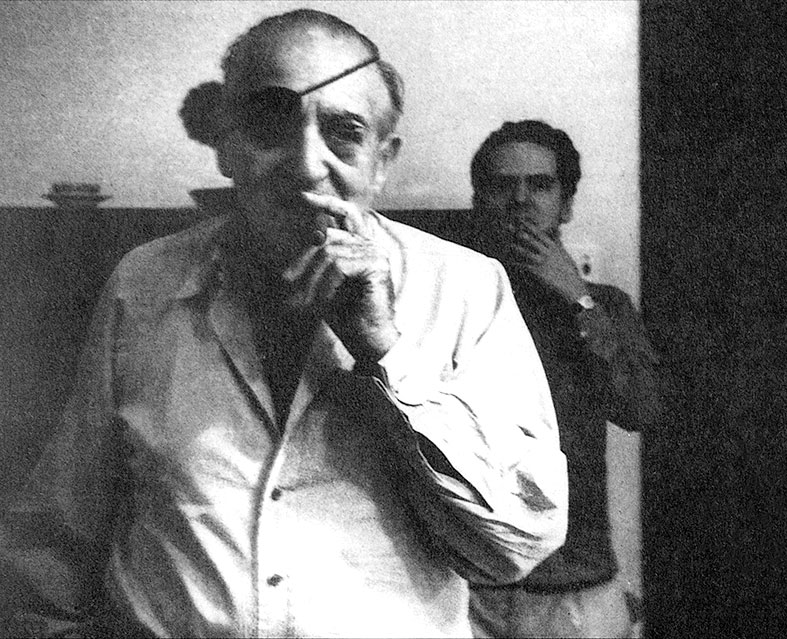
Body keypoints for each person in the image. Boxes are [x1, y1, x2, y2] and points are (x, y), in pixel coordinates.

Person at [0, 12, 568, 639]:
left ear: (382, 161)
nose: (306, 164)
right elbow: (54, 545)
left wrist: (383, 351)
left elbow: (514, 546)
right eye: (271, 124)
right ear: (226, 146)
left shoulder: (466, 288)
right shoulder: (143, 285)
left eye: (345, 132)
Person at [462, 120, 661, 638]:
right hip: (468, 582)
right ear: (480, 201)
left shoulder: (606, 307)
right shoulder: (449, 301)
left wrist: (578, 299)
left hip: (577, 581)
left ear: (566, 204)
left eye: (540, 184)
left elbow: (640, 409)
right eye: (502, 186)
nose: (520, 199)